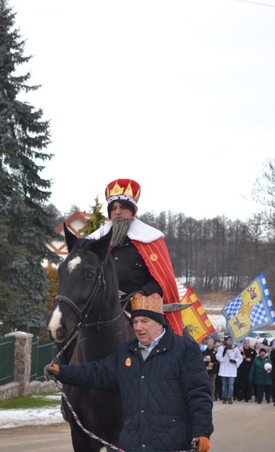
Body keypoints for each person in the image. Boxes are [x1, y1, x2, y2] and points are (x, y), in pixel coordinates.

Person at [45, 292, 213, 452]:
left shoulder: (185, 350)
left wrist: (202, 432)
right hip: (134, 445)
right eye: (135, 321)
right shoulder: (126, 352)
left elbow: (199, 395)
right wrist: (62, 372)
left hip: (172, 444)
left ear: (159, 322)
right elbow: (97, 372)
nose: (138, 327)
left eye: (145, 321)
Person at [86, 179, 184, 335]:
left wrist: (141, 293)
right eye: (113, 208)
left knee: (181, 348)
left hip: (142, 310)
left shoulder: (150, 240)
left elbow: (163, 280)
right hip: (101, 310)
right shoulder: (96, 241)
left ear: (133, 210)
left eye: (123, 207)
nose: (117, 212)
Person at [215, 336, 242, 404]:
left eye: (231, 340)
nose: (230, 341)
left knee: (230, 385)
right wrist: (223, 353)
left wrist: (235, 361)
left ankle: (230, 397)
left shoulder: (235, 349)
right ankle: (224, 397)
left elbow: (240, 357)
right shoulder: (221, 348)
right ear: (226, 341)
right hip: (224, 369)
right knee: (224, 385)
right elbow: (218, 357)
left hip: (231, 370)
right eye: (228, 340)